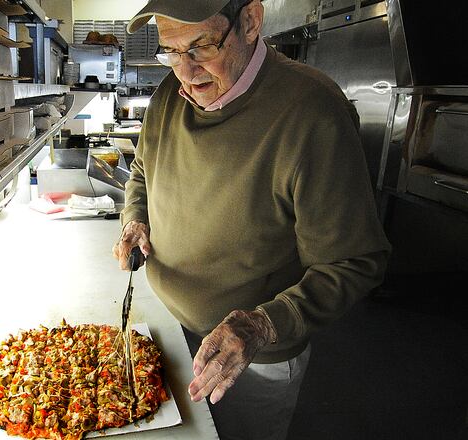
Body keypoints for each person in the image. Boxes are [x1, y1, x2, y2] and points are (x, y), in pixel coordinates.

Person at [112, 0, 392, 438]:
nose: (185, 72)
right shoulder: (170, 93)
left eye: (202, 46)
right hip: (168, 329)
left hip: (248, 362)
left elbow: (356, 261)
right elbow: (144, 170)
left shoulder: (313, 112)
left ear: (249, 22)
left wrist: (262, 325)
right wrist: (136, 217)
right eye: (171, 50)